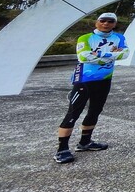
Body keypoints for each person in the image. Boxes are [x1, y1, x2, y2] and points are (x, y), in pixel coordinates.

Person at [53, 12, 129, 164]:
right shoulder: (85, 38)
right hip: (84, 80)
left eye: (110, 21)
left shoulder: (119, 38)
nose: (106, 24)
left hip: (104, 80)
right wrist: (111, 55)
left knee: (95, 111)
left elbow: (125, 54)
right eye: (103, 20)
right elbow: (83, 56)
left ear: (114, 23)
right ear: (97, 22)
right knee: (73, 113)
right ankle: (62, 149)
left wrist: (98, 54)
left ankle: (85, 142)